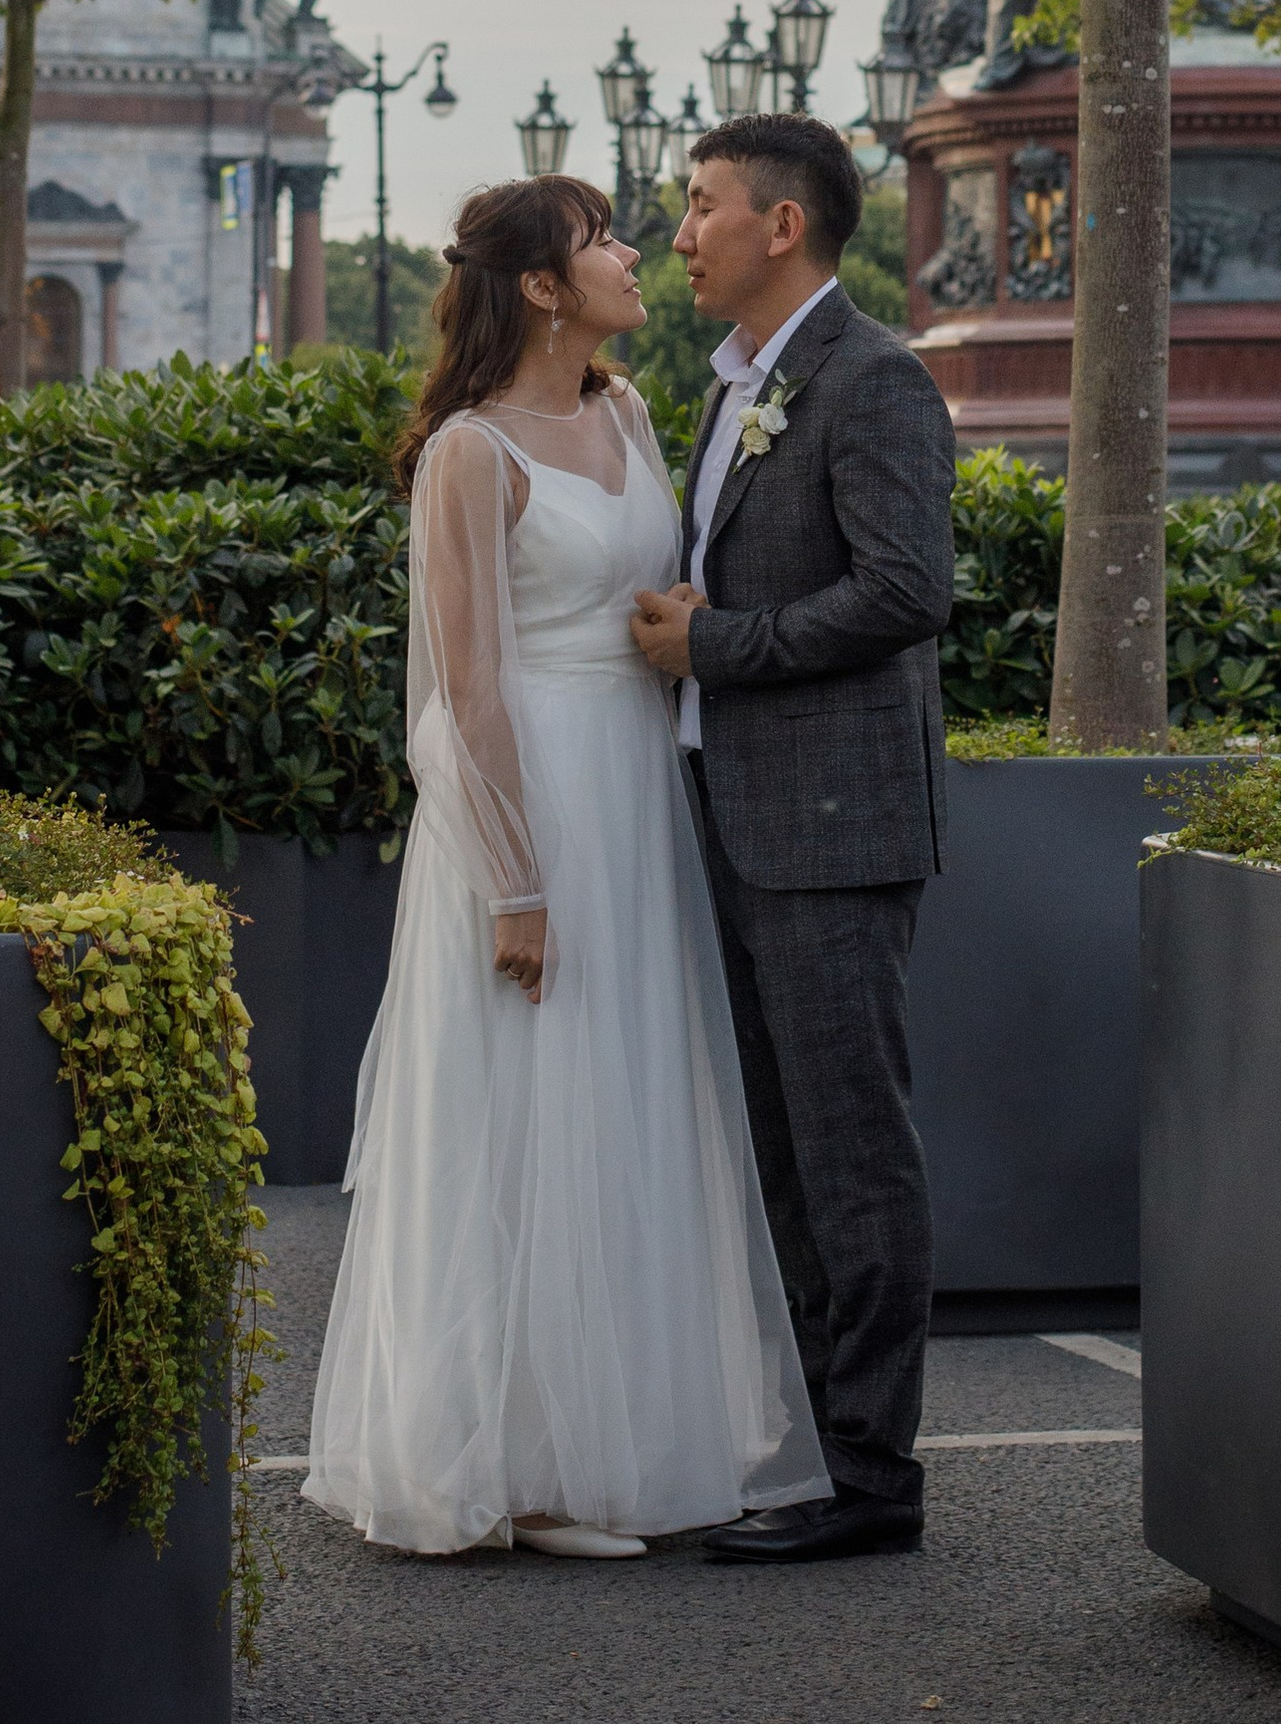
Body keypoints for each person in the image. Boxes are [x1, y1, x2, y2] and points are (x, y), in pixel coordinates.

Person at [303, 173, 828, 1561]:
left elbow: (655, 588)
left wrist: (690, 618)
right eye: (602, 238)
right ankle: (513, 1464)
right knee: (524, 1110)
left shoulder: (632, 411)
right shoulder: (472, 451)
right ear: (540, 283)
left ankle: (613, 1441)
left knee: (629, 1099)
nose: (633, 251)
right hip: (534, 796)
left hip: (640, 787)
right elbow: (465, 690)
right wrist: (515, 875)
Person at [630, 111, 959, 1567]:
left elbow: (906, 590)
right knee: (785, 1154)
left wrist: (720, 645)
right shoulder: (730, 385)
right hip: (741, 818)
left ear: (784, 225)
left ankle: (875, 1475)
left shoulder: (873, 379)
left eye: (701, 204)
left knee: (852, 1153)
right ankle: (827, 1449)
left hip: (833, 826)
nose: (679, 230)